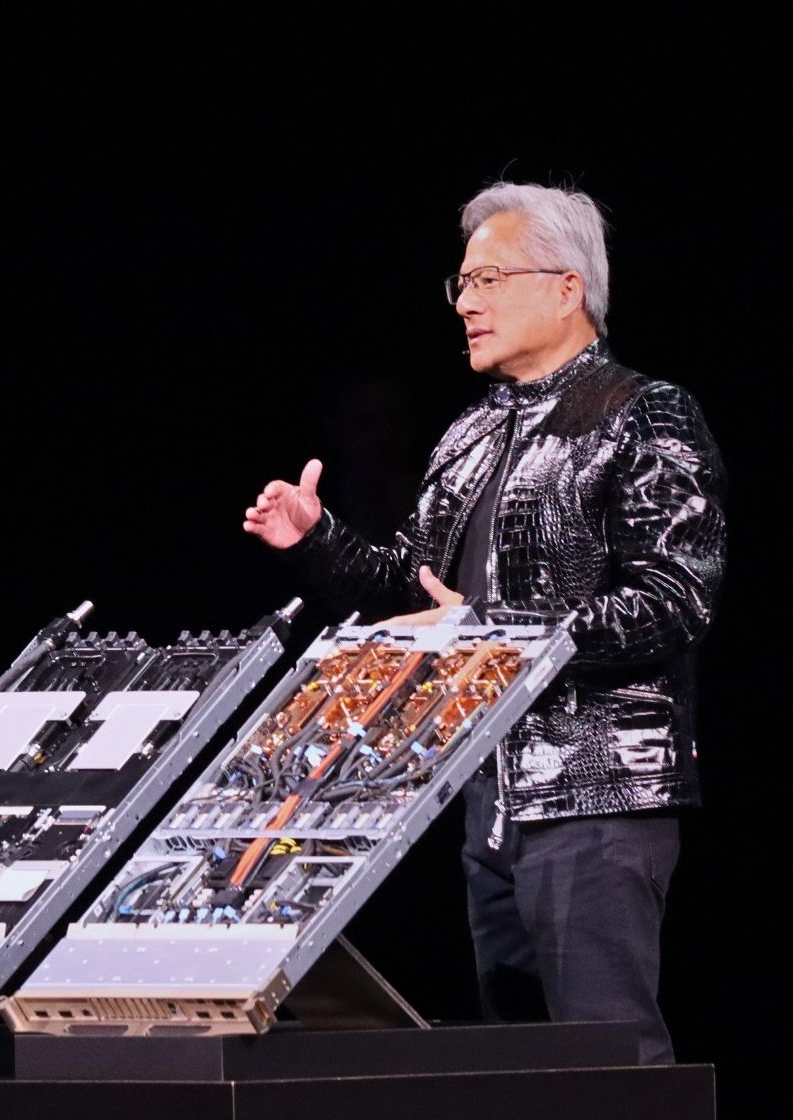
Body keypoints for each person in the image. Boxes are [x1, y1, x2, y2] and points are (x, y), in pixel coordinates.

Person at [241, 182, 726, 1065]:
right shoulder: (468, 435)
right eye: (460, 284)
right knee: (517, 1064)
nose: (465, 302)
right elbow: (416, 588)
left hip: (595, 793)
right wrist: (318, 540)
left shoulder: (642, 414)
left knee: (606, 1060)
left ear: (565, 287)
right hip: (488, 799)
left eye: (489, 278)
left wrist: (498, 628)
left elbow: (673, 600)